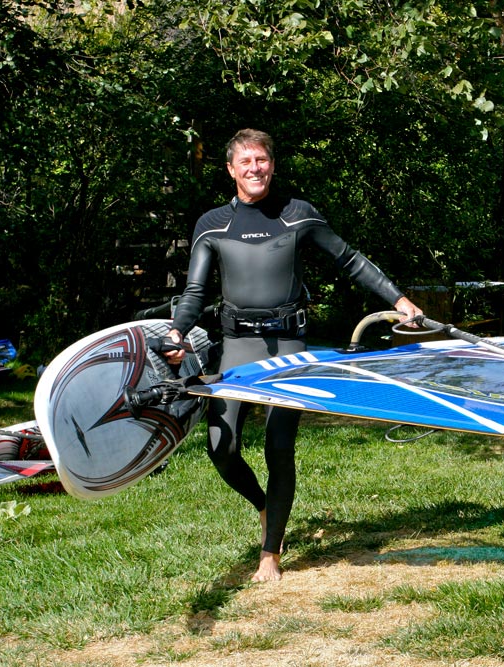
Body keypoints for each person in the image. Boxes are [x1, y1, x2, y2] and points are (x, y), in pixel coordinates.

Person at [164, 129, 422, 582]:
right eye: (245, 161)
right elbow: (194, 292)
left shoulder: (297, 215)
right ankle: (265, 507)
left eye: (261, 160)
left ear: (272, 165)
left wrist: (398, 300)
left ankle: (270, 555)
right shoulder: (212, 224)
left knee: (278, 446)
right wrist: (177, 330)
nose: (254, 168)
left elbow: (351, 260)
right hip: (236, 347)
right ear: (231, 169)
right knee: (221, 448)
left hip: (289, 347)